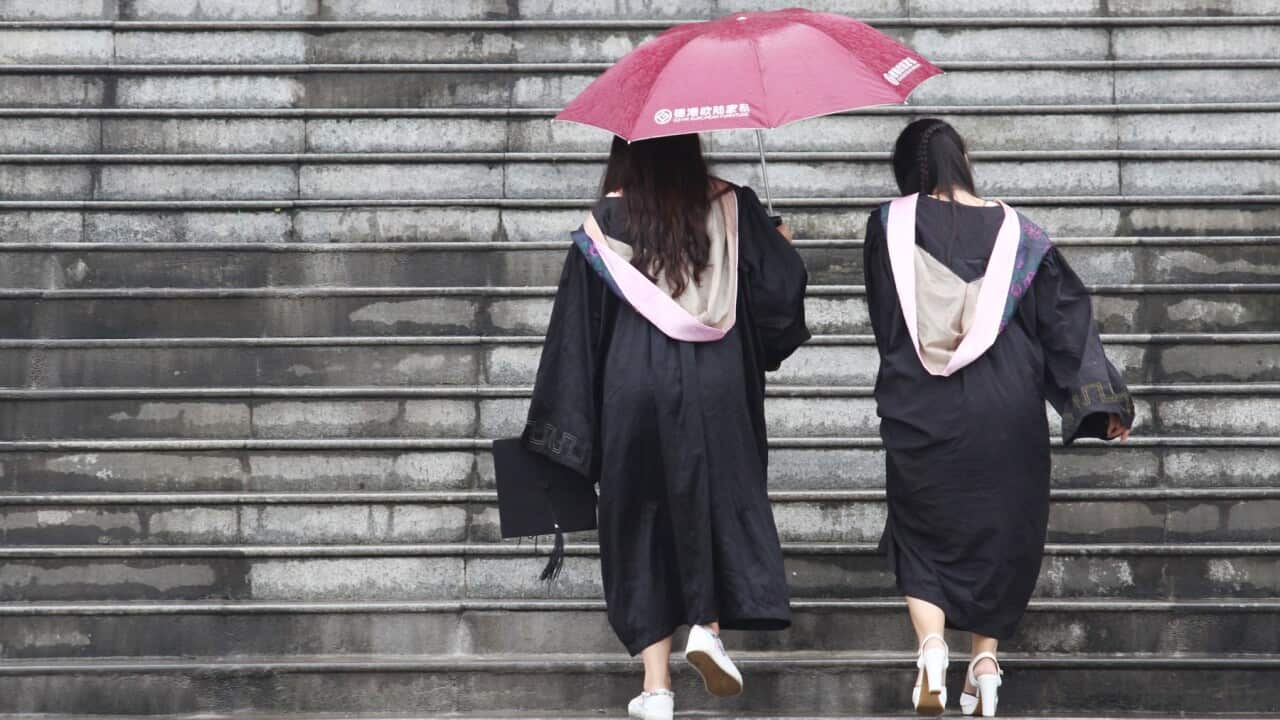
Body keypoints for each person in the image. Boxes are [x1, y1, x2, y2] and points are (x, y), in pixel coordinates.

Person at [520, 133, 810, 720]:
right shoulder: (732, 205)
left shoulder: (606, 222)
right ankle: (706, 628)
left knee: (640, 521)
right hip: (718, 382)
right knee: (716, 499)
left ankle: (656, 689)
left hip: (633, 388)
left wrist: (571, 428)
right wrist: (781, 249)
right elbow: (779, 303)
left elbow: (577, 333)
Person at [862, 119, 1135, 717]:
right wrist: (1100, 399)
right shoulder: (1022, 235)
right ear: (962, 160)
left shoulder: (888, 224)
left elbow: (887, 319)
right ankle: (983, 663)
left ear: (909, 168)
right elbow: (1065, 323)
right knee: (1002, 532)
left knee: (921, 530)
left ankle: (931, 648)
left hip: (921, 403)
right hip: (1005, 405)